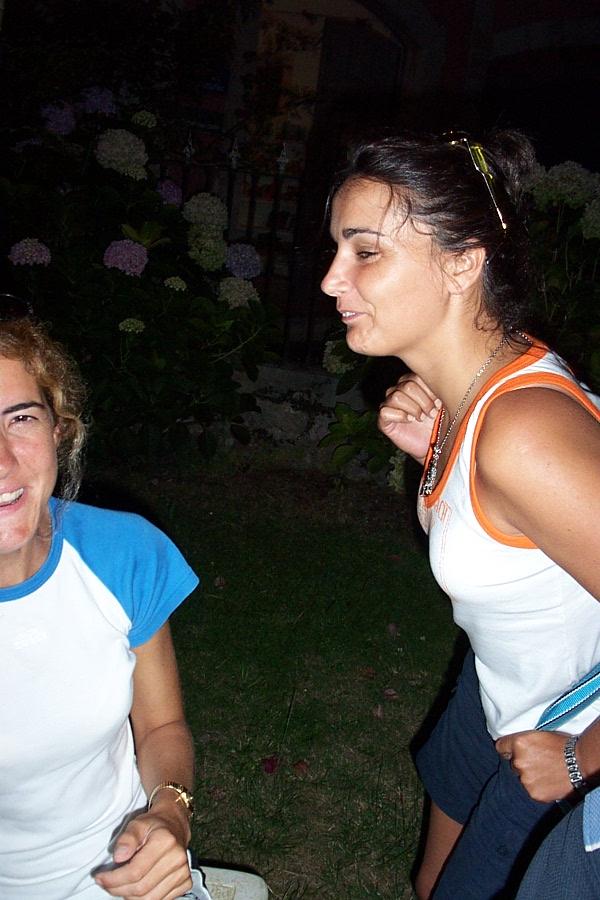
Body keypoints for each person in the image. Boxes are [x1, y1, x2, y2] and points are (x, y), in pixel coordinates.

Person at [320, 131, 600, 898]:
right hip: (496, 681)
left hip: (562, 721)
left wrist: (580, 759)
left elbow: (535, 467)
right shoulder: (474, 397)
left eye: (365, 251)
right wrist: (437, 459)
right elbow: (515, 533)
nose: (332, 279)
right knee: (434, 884)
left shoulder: (523, 433)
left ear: (462, 263)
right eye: (337, 249)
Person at [0, 298, 206, 899]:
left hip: (124, 875)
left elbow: (162, 725)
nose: (3, 461)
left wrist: (169, 814)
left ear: (58, 430)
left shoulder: (121, 555)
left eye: (21, 418)